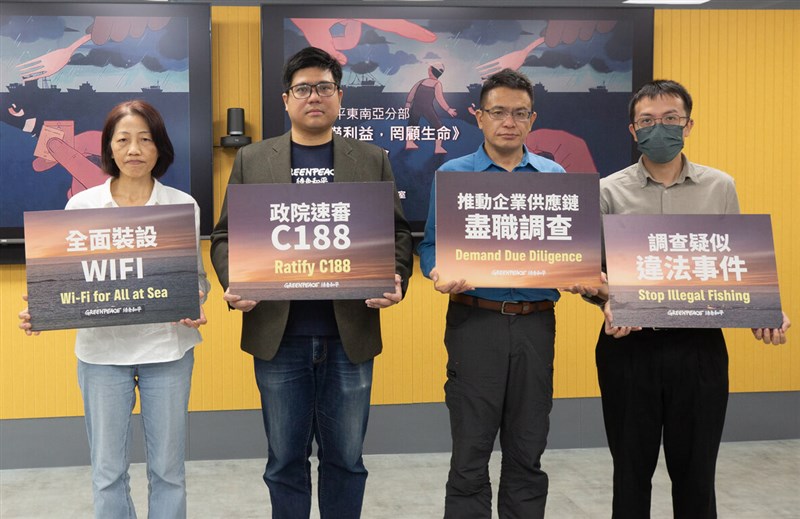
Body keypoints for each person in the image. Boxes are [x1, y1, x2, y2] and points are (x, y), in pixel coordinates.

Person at [568, 79, 791, 518]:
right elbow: (593, 272)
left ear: (688, 125)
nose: (659, 129)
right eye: (647, 121)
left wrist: (764, 308)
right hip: (629, 346)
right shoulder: (607, 191)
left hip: (700, 347)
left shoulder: (720, 186)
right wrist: (607, 300)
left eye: (670, 119)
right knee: (630, 474)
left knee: (696, 474)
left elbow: (733, 265)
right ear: (633, 131)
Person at [209, 46, 413, 519]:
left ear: (339, 96)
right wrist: (233, 281)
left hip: (350, 334)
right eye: (303, 89)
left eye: (324, 87)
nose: (314, 97)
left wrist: (397, 276)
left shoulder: (372, 159)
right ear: (286, 99)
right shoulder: (254, 161)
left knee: (346, 460)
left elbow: (398, 232)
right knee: (284, 462)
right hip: (279, 335)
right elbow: (224, 236)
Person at [18, 99, 209, 519]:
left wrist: (195, 302)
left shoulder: (183, 206)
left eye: (145, 139)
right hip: (102, 355)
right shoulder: (80, 209)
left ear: (159, 147)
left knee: (168, 471)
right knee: (107, 472)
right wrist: (43, 308)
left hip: (168, 352)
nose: (134, 149)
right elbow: (65, 284)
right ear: (109, 148)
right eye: (123, 140)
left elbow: (195, 279)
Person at [417, 68, 566, 519]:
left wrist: (582, 273)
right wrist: (436, 271)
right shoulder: (453, 173)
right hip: (474, 322)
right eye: (498, 111)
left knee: (527, 450)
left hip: (535, 323)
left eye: (520, 113)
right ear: (478, 117)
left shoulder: (553, 176)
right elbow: (429, 244)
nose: (509, 122)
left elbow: (571, 250)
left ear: (532, 119)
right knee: (470, 453)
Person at [404, 62, 457, 154]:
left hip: (416, 106)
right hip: (427, 108)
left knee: (412, 124)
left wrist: (408, 103)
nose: (428, 69)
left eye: (429, 68)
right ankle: (438, 147)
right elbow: (440, 98)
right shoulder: (437, 84)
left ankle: (409, 142)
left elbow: (412, 92)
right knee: (438, 127)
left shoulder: (422, 81)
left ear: (432, 71)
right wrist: (448, 109)